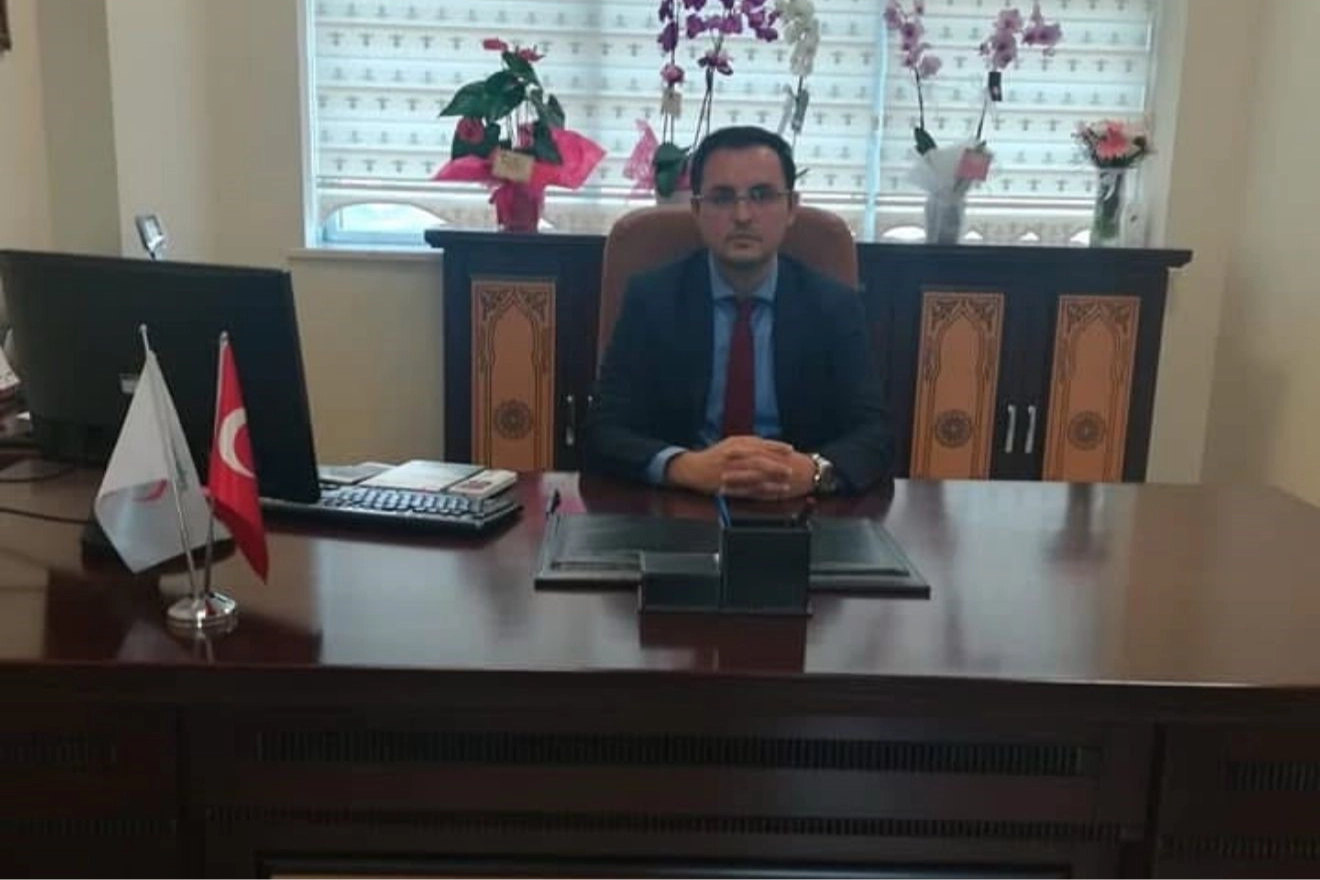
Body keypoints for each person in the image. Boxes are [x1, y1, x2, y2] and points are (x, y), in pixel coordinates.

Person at [584, 126, 893, 499]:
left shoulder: (832, 306)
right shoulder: (653, 299)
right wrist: (684, 466)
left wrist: (814, 472)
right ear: (696, 209)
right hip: (684, 503)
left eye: (762, 196)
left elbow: (875, 433)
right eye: (722, 198)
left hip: (798, 506)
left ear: (791, 208)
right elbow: (602, 430)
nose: (743, 215)